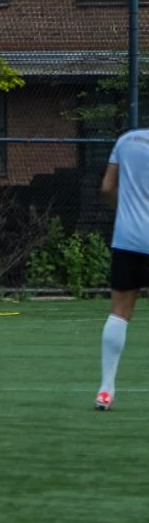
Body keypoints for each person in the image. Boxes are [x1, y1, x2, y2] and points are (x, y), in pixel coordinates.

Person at [94, 116, 149, 406]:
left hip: (128, 238)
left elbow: (106, 187)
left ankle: (106, 390)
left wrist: (125, 212)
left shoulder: (126, 141)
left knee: (120, 312)